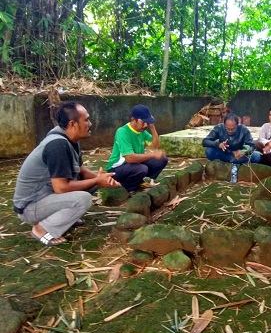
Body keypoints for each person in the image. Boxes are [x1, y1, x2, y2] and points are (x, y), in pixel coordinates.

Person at [13, 101, 120, 246]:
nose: (90, 123)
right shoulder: (57, 145)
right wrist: (97, 180)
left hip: (46, 196)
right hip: (30, 207)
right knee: (83, 199)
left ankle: (64, 216)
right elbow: (61, 188)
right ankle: (41, 228)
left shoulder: (70, 139)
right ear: (73, 124)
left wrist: (101, 178)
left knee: (91, 182)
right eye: (86, 119)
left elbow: (80, 170)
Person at [106, 104, 168, 192]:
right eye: (143, 122)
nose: (145, 125)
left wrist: (152, 127)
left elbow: (155, 145)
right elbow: (129, 158)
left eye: (147, 122)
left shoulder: (142, 131)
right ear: (133, 120)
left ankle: (138, 180)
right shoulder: (123, 132)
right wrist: (152, 154)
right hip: (116, 169)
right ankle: (125, 188)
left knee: (162, 159)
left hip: (134, 164)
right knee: (142, 169)